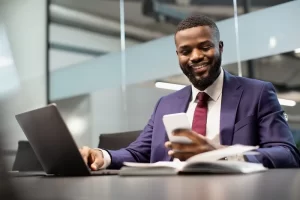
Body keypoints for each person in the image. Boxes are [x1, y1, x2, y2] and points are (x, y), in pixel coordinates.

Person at [80, 14, 300, 170]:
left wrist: (220, 154)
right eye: (185, 51)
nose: (195, 56)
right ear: (178, 55)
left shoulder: (257, 93)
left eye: (204, 47)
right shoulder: (165, 104)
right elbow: (138, 152)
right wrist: (103, 155)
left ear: (220, 47)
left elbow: (287, 154)